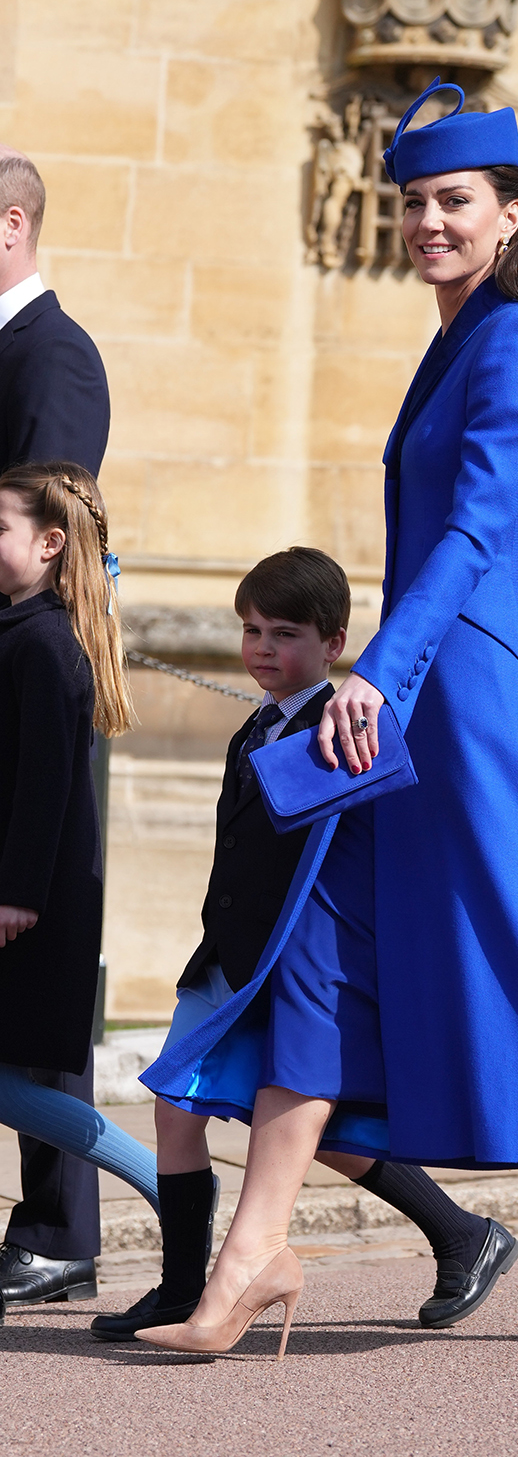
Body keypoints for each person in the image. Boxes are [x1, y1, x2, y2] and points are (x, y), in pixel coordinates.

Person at [137, 81, 518, 1359]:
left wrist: (377, 671)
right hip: (402, 684)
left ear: (509, 213)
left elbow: (476, 533)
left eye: (453, 202)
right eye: (411, 204)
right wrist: (373, 673)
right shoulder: (455, 339)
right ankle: (249, 1260)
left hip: (467, 699)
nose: (427, 223)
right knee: (323, 950)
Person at [92, 546, 517, 1341]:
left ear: (334, 645)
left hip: (304, 965)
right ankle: (183, 1288)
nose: (260, 647)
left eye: (283, 632)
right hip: (233, 956)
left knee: (299, 1126)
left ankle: (462, 1232)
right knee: (185, 1111)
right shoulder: (250, 728)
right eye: (251, 629)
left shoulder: (349, 730)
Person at [0, 462, 165, 1322]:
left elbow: (46, 787)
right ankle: (179, 1197)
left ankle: (174, 1192)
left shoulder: (45, 642)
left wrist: (18, 894)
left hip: (30, 906)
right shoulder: (21, 629)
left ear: (49, 542)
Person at [0, 146, 112, 1308]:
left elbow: (49, 531)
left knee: (37, 979)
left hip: (29, 686)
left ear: (13, 225)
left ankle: (61, 1225)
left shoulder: (52, 356)